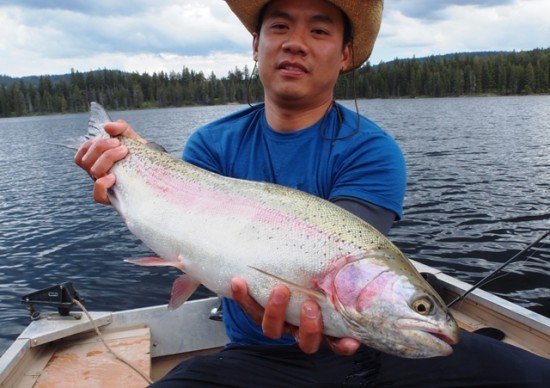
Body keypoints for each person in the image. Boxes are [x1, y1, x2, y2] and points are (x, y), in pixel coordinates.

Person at [75, 0, 550, 386]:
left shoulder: (374, 151)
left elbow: (347, 243)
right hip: (256, 358)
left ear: (345, 55)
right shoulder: (210, 144)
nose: (296, 43)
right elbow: (182, 230)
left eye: (320, 31)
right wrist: (129, 173)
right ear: (256, 45)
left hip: (373, 353)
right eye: (279, 26)